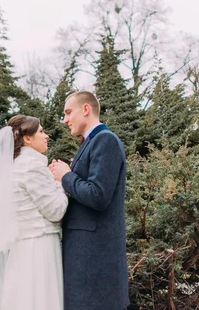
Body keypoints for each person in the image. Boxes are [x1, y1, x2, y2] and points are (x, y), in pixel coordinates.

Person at [0, 115, 68, 310]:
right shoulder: (31, 166)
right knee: (39, 300)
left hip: (22, 248)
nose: (46, 135)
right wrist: (61, 181)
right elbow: (56, 211)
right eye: (41, 131)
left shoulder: (15, 166)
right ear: (28, 138)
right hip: (38, 248)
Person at [50, 91, 130, 310]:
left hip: (94, 259)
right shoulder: (92, 142)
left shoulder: (106, 140)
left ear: (85, 109)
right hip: (85, 257)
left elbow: (98, 195)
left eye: (68, 112)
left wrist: (66, 175)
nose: (65, 120)